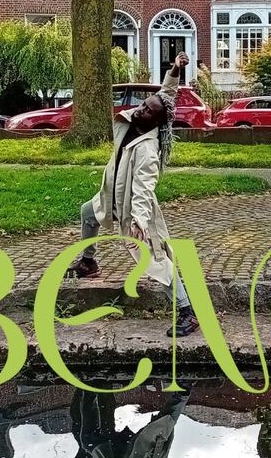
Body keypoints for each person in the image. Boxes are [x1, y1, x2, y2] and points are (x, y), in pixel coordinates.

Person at [66, 52, 199, 337]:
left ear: (156, 122)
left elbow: (144, 188)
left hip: (132, 209)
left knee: (155, 260)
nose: (141, 110)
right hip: (110, 196)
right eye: (143, 104)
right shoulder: (136, 121)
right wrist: (175, 69)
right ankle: (89, 262)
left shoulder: (147, 151)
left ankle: (187, 312)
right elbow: (166, 94)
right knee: (88, 213)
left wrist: (139, 220)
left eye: (148, 111)